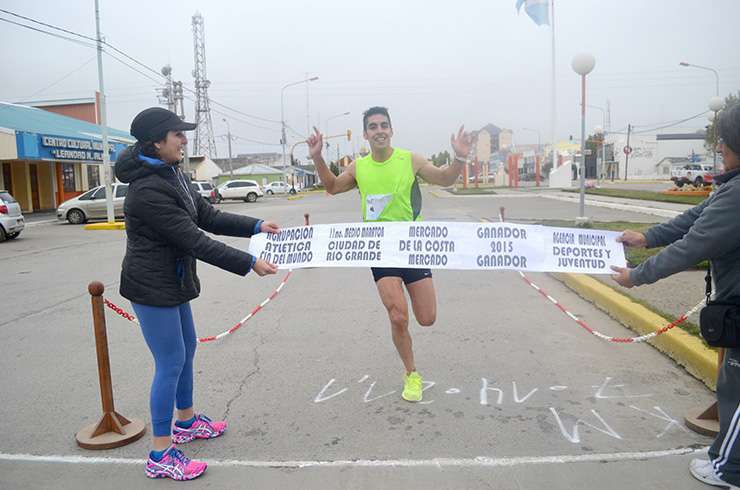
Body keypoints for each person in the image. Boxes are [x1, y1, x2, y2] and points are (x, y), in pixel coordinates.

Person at [115, 107, 279, 481]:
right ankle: (160, 453)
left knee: (187, 349)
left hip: (172, 281)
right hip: (150, 285)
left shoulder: (172, 173)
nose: (185, 140)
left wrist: (255, 225)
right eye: (178, 134)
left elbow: (205, 215)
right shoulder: (145, 191)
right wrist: (249, 262)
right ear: (157, 142)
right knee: (170, 361)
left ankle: (186, 422)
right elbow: (194, 239)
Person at [612, 103, 740, 489]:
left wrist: (638, 276)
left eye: (723, 138)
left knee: (735, 391)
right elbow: (693, 220)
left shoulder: (736, 196)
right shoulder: (731, 188)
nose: (718, 145)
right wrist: (647, 237)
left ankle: (729, 470)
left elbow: (692, 245)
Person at [307, 106, 472, 402]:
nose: (379, 130)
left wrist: (459, 157)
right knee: (398, 316)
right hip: (380, 248)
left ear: (391, 130)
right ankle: (411, 374)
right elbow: (331, 186)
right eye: (373, 126)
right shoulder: (359, 167)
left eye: (384, 125)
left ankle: (411, 361)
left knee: (427, 318)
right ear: (366, 134)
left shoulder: (411, 160)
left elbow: (445, 179)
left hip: (413, 246)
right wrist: (318, 157)